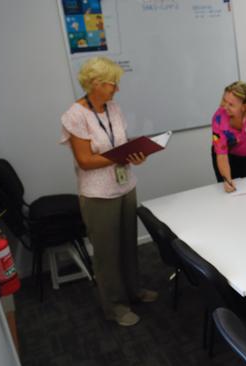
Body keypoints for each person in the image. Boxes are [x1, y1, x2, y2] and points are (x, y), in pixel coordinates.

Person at [60, 57, 158, 327]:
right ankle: (114, 306)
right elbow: (85, 161)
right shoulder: (75, 115)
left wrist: (135, 155)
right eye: (111, 84)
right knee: (106, 253)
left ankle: (134, 291)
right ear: (94, 84)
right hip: (97, 194)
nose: (116, 89)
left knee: (128, 243)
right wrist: (119, 157)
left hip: (125, 185)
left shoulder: (113, 108)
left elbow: (121, 144)